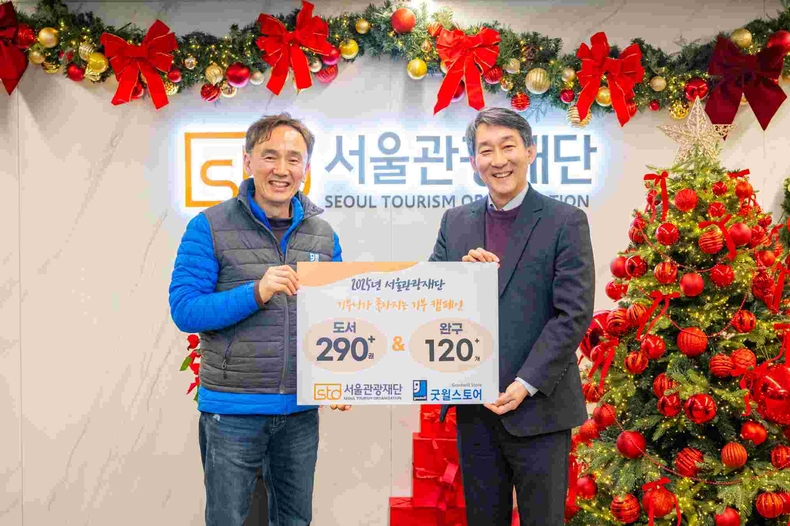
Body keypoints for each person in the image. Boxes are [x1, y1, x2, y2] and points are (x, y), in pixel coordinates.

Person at [169, 113, 348, 526]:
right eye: (270, 156)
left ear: (306, 168)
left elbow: (336, 315)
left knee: (295, 521)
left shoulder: (323, 235)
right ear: (248, 161)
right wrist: (256, 292)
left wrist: (341, 377)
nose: (281, 169)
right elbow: (186, 309)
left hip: (300, 414)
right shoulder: (209, 226)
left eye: (293, 159)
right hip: (232, 411)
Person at [429, 107, 594, 526]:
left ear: (530, 151)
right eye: (486, 150)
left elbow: (572, 313)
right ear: (473, 161)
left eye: (508, 146)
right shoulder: (455, 221)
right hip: (476, 409)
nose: (498, 160)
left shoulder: (565, 221)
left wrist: (525, 383)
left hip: (540, 408)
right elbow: (431, 298)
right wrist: (460, 276)